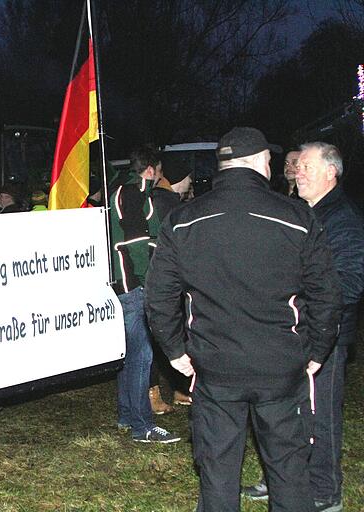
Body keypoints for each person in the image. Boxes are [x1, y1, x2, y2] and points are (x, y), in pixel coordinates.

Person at [145, 127, 342, 512]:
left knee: (217, 473)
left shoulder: (185, 218)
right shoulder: (297, 217)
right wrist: (317, 349)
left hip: (216, 365)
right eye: (270, 161)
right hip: (280, 365)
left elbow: (159, 294)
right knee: (289, 471)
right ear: (258, 162)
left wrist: (174, 350)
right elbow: (325, 293)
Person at [242, 142, 364, 512]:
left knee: (320, 416)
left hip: (324, 338)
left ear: (331, 173)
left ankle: (325, 490)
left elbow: (350, 282)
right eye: (297, 166)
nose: (298, 172)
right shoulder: (298, 212)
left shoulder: (341, 219)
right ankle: (282, 477)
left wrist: (296, 295)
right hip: (290, 334)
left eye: (307, 167)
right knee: (285, 414)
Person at [109, 145, 181, 443]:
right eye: (159, 171)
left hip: (127, 286)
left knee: (131, 356)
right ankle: (143, 425)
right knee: (141, 356)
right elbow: (136, 242)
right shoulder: (134, 191)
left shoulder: (123, 190)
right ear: (150, 169)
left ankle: (128, 415)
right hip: (134, 286)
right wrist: (148, 281)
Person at [148, 162, 194, 413]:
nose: (190, 185)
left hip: (161, 278)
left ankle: (180, 389)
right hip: (168, 279)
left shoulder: (154, 198)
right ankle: (158, 392)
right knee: (163, 338)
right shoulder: (171, 205)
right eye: (188, 179)